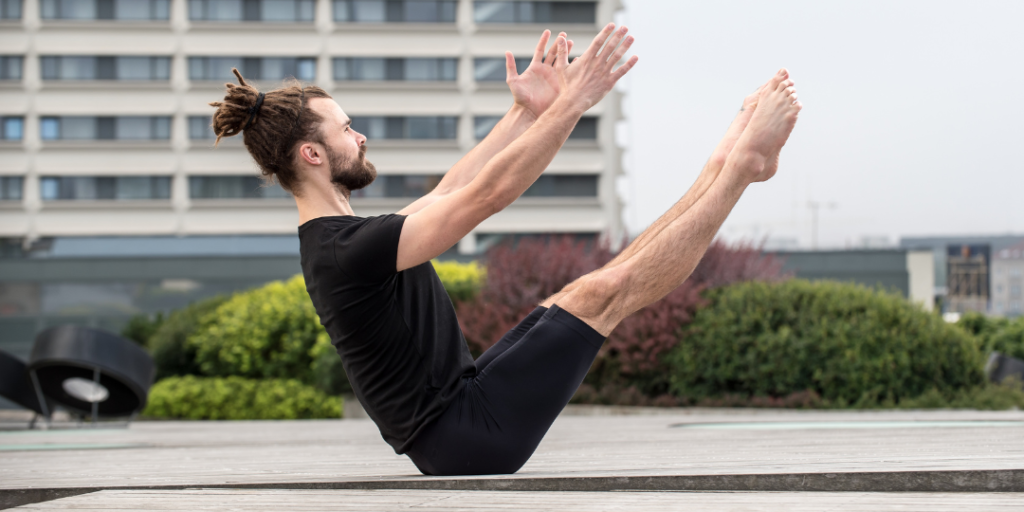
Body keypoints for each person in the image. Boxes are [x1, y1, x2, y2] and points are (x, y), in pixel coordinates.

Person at [209, 24, 801, 476]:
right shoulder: (345, 250)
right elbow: (485, 197)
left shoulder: (346, 238)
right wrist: (573, 103)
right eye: (344, 129)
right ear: (312, 155)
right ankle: (742, 169)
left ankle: (727, 162)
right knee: (601, 294)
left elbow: (454, 188)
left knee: (581, 294)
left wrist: (525, 111)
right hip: (466, 438)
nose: (358, 135)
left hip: (464, 411)